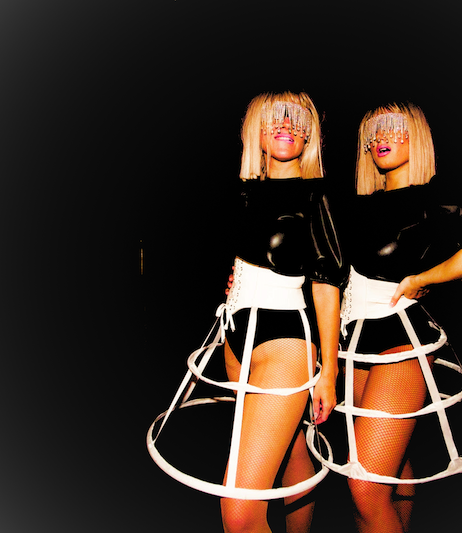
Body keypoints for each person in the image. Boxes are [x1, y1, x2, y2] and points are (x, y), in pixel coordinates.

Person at [147, 91, 346, 533]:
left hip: (284, 341)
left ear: (310, 135)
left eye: (296, 120)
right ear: (254, 129)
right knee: (292, 448)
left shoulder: (316, 196)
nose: (286, 126)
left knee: (239, 514)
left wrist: (329, 372)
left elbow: (327, 284)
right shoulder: (242, 192)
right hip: (234, 336)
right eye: (275, 118)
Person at [309, 101, 462, 532]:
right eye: (373, 131)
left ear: (416, 134)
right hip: (351, 345)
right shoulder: (352, 205)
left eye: (393, 126)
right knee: (393, 472)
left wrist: (424, 278)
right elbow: (322, 273)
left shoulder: (433, 204)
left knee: (365, 487)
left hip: (400, 342)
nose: (381, 137)